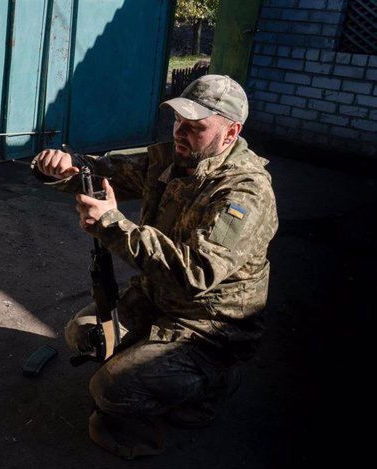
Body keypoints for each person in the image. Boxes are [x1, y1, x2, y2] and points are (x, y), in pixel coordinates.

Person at [32, 74, 278, 459]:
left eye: (195, 127)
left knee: (110, 390)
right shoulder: (172, 158)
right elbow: (107, 171)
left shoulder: (245, 192)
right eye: (178, 121)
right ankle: (152, 364)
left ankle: (214, 381)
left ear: (230, 133)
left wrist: (111, 223)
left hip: (210, 323)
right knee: (84, 335)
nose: (180, 133)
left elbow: (194, 273)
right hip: (158, 296)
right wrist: (67, 168)